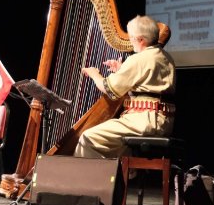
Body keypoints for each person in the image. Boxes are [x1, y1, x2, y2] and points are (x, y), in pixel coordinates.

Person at [73, 15, 176, 159]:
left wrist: (94, 74)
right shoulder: (165, 56)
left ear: (140, 39)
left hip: (144, 121)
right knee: (115, 148)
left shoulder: (138, 59)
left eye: (131, 37)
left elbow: (109, 89)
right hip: (163, 121)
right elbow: (148, 84)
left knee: (88, 138)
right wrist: (122, 69)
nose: (129, 41)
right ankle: (127, 176)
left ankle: (89, 181)